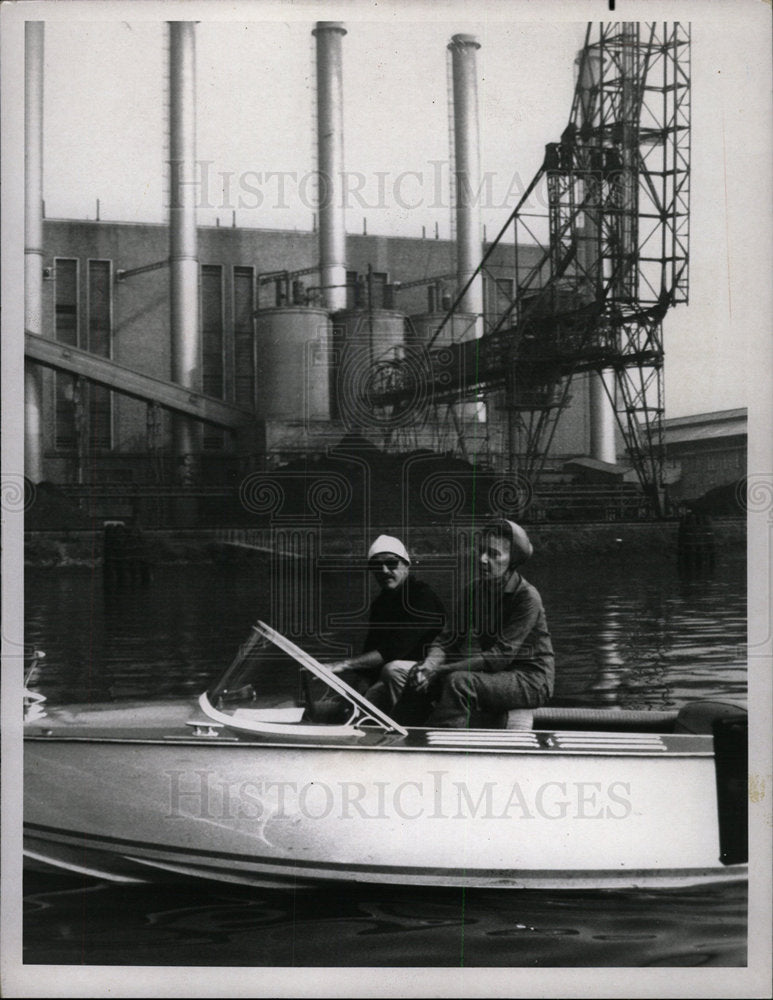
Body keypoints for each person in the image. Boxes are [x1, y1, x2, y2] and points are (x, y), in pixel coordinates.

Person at [400, 519, 554, 728]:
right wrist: (429, 665)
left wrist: (441, 670)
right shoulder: (473, 591)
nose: (482, 559)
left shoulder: (527, 596)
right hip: (498, 675)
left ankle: (441, 749)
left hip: (531, 680)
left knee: (459, 682)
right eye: (481, 551)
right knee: (417, 672)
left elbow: (499, 657)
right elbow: (447, 639)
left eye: (493, 554)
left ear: (512, 561)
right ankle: (400, 734)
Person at [326, 534, 445, 711]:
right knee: (350, 706)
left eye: (391, 563)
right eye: (376, 566)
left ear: (406, 565)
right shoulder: (381, 603)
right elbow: (369, 660)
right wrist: (352, 699)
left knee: (391, 669)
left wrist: (343, 664)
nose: (384, 571)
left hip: (432, 677)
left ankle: (412, 724)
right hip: (397, 677)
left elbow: (393, 650)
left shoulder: (422, 597)